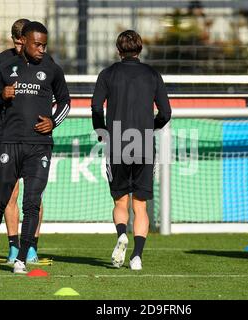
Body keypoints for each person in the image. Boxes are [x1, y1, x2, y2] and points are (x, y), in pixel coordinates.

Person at [0, 21, 71, 273]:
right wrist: (1, 98)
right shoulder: (5, 67)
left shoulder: (53, 69)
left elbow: (65, 102)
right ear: (23, 42)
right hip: (9, 141)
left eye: (44, 45)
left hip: (40, 146)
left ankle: (21, 257)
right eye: (37, 44)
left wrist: (53, 122)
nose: (41, 49)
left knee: (32, 202)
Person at [91, 30, 172, 270]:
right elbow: (166, 113)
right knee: (140, 205)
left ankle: (121, 236)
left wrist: (101, 130)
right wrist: (151, 128)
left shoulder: (107, 74)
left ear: (118, 50)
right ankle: (136, 256)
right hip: (144, 142)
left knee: (120, 202)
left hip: (117, 142)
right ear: (140, 49)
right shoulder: (152, 75)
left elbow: (96, 106)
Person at [0, 18, 44, 264]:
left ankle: (32, 247)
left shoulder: (44, 61)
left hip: (37, 136)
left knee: (34, 194)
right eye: (17, 43)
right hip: (9, 134)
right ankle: (13, 245)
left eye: (23, 42)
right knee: (10, 192)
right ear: (14, 40)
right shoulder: (2, 61)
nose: (21, 47)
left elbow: (54, 93)